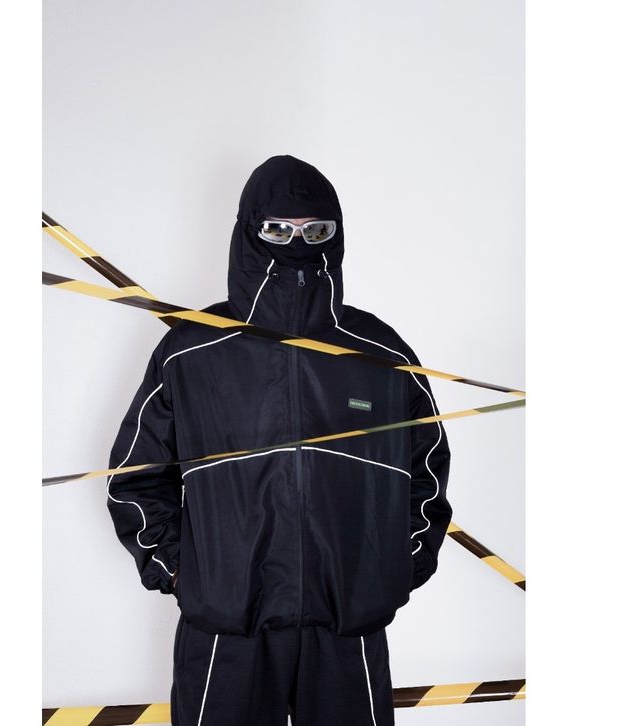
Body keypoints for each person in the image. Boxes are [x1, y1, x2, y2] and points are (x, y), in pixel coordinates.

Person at [106, 154, 452, 726]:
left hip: (345, 628)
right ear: (248, 232)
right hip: (228, 629)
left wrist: (393, 570)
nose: (297, 242)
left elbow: (427, 471)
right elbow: (135, 476)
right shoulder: (193, 351)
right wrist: (185, 574)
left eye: (315, 230)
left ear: (336, 236)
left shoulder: (380, 354)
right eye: (277, 229)